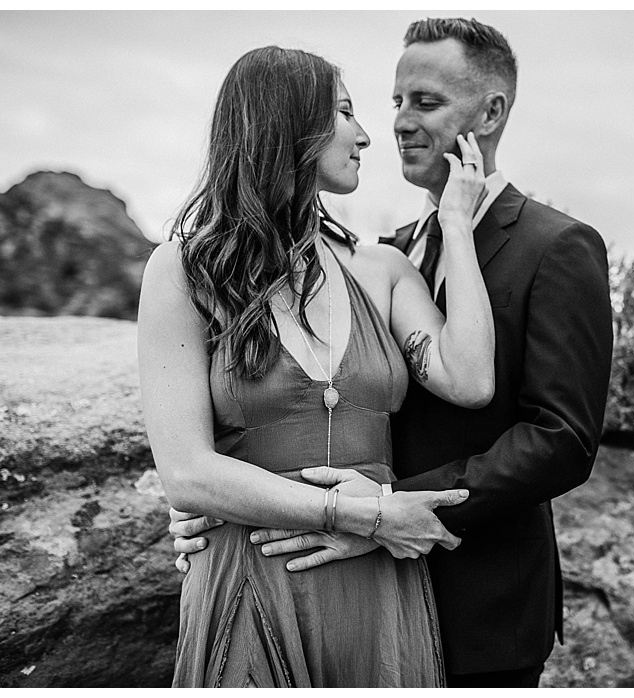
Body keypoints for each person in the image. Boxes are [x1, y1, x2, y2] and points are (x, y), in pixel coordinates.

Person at [171, 18, 614, 688]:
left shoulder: (557, 246)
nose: (399, 123)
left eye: (426, 103)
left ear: (490, 111)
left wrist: (389, 509)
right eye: (395, 102)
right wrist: (218, 497)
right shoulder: (388, 249)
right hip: (335, 566)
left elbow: (562, 439)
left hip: (477, 598)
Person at [139, 46, 496, 686]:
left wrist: (458, 230)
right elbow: (187, 475)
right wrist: (369, 515)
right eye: (345, 112)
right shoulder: (183, 271)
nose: (365, 135)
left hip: (375, 584)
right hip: (251, 579)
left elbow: (470, 381)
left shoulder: (380, 268)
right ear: (288, 124)